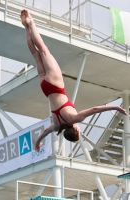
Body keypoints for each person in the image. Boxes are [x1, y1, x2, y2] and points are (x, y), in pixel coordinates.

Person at [20, 9, 127, 152]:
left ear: (76, 130)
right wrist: (37, 143)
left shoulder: (75, 118)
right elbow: (45, 132)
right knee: (35, 54)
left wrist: (116, 108)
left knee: (44, 50)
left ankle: (31, 23)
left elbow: (95, 109)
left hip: (56, 85)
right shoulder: (57, 126)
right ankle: (27, 27)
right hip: (45, 88)